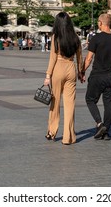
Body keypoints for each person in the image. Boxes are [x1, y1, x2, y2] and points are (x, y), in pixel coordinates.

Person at [43, 11, 83, 145]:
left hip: (58, 69)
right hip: (71, 68)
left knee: (55, 102)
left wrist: (48, 75)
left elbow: (52, 58)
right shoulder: (75, 38)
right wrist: (81, 73)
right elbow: (80, 58)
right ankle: (69, 136)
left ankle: (52, 131)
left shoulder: (56, 37)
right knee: (70, 104)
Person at [81, 13, 111, 140]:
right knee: (107, 104)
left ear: (100, 23)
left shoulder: (96, 38)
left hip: (97, 76)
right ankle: (106, 130)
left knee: (90, 100)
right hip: (110, 76)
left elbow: (88, 59)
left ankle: (99, 124)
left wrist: (82, 71)